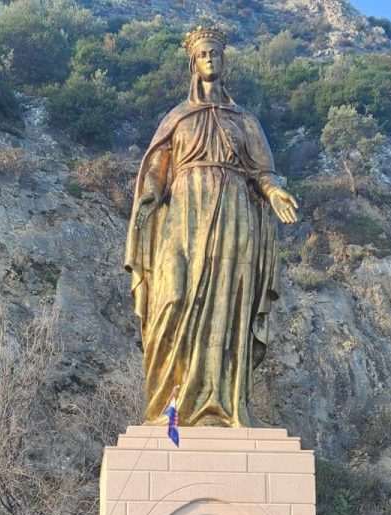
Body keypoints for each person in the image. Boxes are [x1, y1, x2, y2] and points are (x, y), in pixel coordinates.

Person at [125, 26, 298, 427]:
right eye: (203, 54)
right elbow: (154, 173)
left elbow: (263, 172)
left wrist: (274, 193)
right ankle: (169, 407)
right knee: (173, 299)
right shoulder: (178, 118)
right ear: (193, 61)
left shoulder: (245, 120)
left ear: (224, 60)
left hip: (235, 218)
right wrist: (144, 210)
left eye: (216, 54)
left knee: (229, 306)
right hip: (183, 218)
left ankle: (227, 405)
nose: (210, 60)